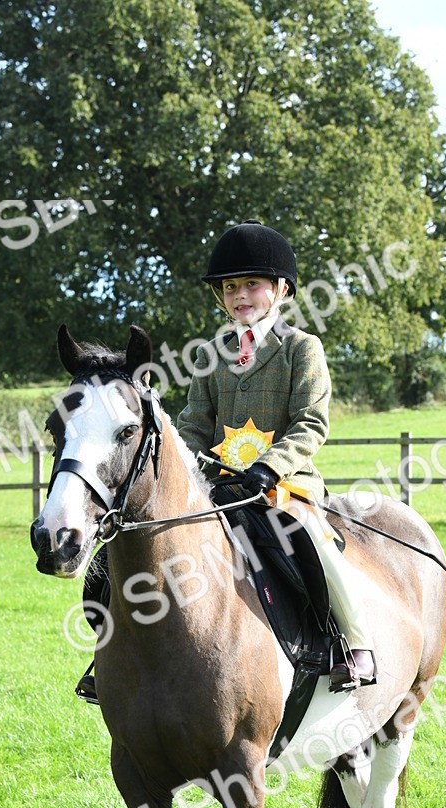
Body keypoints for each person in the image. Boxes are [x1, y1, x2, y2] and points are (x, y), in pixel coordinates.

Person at [176, 218, 376, 691]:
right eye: (229, 287)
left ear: (280, 288)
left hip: (286, 484)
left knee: (311, 537)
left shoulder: (302, 349)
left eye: (251, 284)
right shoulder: (209, 355)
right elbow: (192, 424)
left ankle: (356, 643)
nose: (239, 295)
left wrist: (269, 466)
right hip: (221, 486)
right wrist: (184, 467)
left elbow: (312, 423)